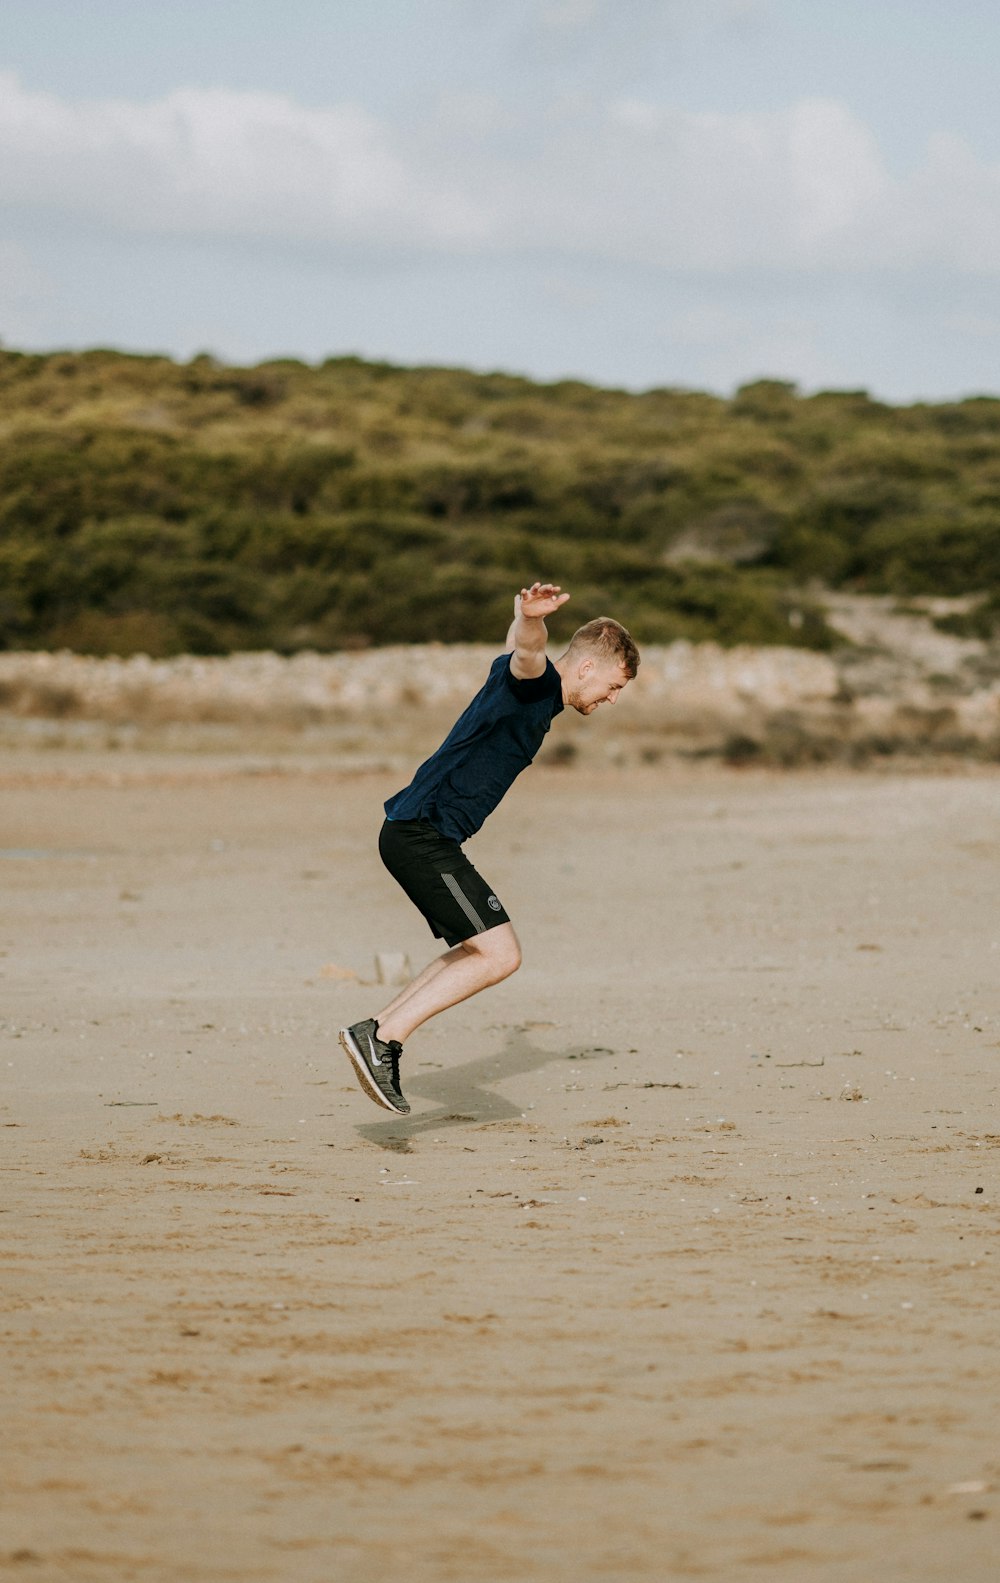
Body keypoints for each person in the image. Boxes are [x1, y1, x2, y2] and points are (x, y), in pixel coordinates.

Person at [339, 582, 640, 1113]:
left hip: (418, 833)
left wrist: (518, 619)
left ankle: (377, 1031)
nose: (612, 700)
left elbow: (512, 647)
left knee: (476, 949)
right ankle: (383, 1039)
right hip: (421, 834)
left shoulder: (529, 693)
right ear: (587, 669)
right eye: (614, 686)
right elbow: (526, 652)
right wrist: (530, 619)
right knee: (501, 954)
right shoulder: (534, 684)